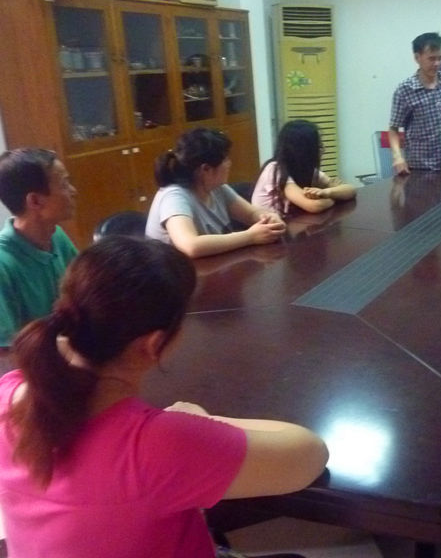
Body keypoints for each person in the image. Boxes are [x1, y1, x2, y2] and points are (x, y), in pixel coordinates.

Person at [0, 236, 328, 557]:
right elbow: (310, 454)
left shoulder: (8, 393)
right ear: (154, 344)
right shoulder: (157, 444)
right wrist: (201, 420)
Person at [146, 127, 286, 258]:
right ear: (206, 169)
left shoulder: (217, 188)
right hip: (175, 273)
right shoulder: (174, 196)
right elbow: (190, 246)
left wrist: (269, 218)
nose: (229, 163)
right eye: (225, 159)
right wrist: (250, 237)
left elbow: (251, 214)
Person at [0, 148, 77, 347]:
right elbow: (5, 351)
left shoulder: (57, 236)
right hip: (36, 364)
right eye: (64, 184)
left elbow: (83, 292)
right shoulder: (3, 264)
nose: (73, 191)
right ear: (35, 201)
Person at [388, 32, 441, 174]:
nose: (437, 63)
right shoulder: (405, 90)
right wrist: (398, 157)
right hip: (420, 167)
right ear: (417, 58)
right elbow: (393, 129)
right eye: (431, 59)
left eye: (440, 58)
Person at [251, 119, 356, 216]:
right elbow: (314, 206)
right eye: (319, 146)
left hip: (292, 224)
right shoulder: (275, 170)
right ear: (303, 150)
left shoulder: (307, 171)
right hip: (268, 228)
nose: (324, 150)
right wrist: (335, 197)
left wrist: (327, 192)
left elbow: (350, 190)